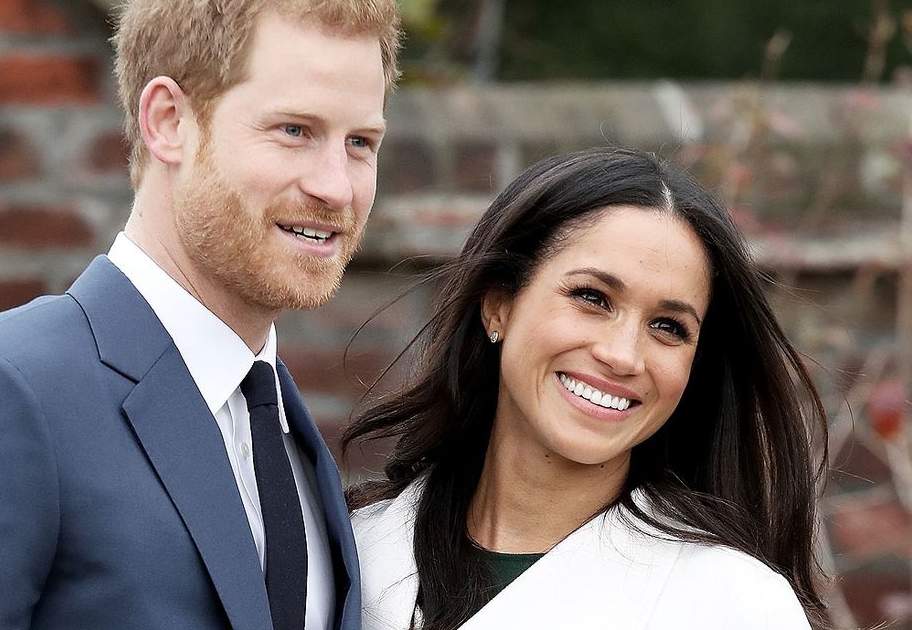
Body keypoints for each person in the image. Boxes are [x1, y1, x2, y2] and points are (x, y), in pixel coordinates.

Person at [0, 0, 400, 630]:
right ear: (168, 121)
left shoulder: (286, 433)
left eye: (360, 142)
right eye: (294, 131)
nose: (336, 185)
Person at [344, 148, 832, 629]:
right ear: (499, 305)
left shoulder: (733, 605)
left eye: (668, 327)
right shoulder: (350, 554)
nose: (622, 355)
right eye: (592, 298)